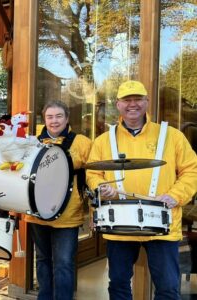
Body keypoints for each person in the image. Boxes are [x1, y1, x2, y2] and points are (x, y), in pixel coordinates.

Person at [86, 80, 197, 300]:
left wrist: (175, 196)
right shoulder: (102, 141)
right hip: (119, 224)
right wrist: (101, 188)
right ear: (118, 105)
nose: (132, 104)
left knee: (167, 288)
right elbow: (93, 173)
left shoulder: (172, 136)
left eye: (138, 99)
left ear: (147, 102)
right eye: (127, 100)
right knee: (118, 284)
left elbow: (191, 170)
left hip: (162, 223)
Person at [24, 100, 91, 300]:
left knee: (63, 263)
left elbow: (94, 176)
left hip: (68, 214)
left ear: (67, 118)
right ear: (44, 119)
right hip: (38, 214)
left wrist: (94, 211)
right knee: (43, 259)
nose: (54, 121)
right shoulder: (33, 142)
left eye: (59, 116)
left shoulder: (82, 143)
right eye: (50, 117)